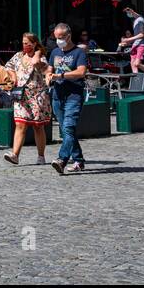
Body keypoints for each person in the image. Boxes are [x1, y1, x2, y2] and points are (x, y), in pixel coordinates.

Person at [3, 32, 51, 166]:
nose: (25, 46)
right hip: (21, 95)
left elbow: (45, 71)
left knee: (38, 127)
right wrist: (13, 77)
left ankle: (41, 156)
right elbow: (8, 66)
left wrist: (37, 58)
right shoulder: (18, 56)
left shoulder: (40, 56)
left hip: (36, 95)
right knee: (20, 124)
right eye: (23, 43)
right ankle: (15, 155)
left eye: (27, 43)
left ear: (34, 43)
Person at [48, 22, 88, 175]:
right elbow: (50, 69)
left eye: (61, 37)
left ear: (69, 36)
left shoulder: (79, 53)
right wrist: (48, 75)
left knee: (69, 127)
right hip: (58, 95)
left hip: (74, 95)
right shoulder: (55, 52)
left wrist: (62, 75)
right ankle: (78, 160)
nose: (58, 40)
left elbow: (81, 72)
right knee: (66, 130)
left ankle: (62, 159)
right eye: (56, 37)